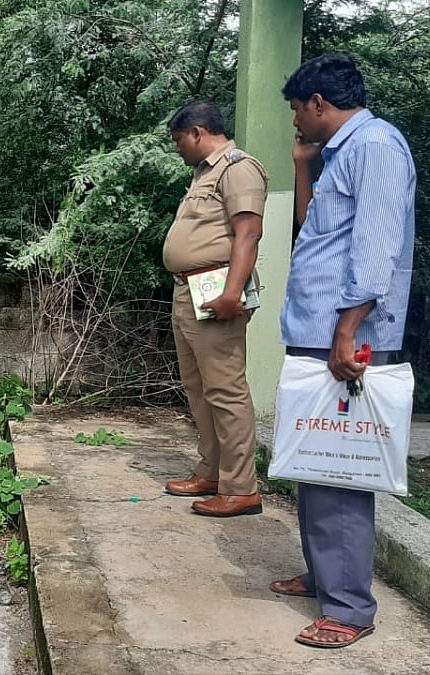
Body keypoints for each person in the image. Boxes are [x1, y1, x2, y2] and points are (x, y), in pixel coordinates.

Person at [270, 53, 416, 649]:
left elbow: (377, 250)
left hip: (346, 335)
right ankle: (326, 575)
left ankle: (349, 608)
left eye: (297, 111)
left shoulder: (376, 147)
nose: (296, 122)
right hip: (321, 329)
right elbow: (318, 230)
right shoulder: (340, 153)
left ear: (318, 103)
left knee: (341, 470)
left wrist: (347, 331)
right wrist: (304, 164)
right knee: (316, 460)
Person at [160, 100, 268, 518]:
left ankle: (241, 488)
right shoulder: (204, 173)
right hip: (189, 290)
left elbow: (248, 233)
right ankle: (212, 471)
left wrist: (232, 292)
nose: (177, 148)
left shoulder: (238, 168)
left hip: (217, 290)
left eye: (179, 139)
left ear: (198, 132)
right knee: (199, 387)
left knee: (225, 389)